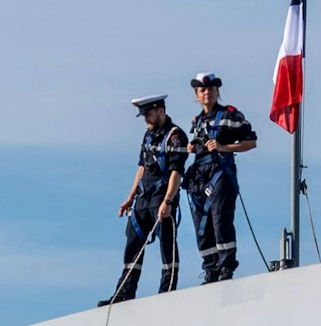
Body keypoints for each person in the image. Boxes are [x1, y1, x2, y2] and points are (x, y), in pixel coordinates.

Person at [102, 95, 188, 306]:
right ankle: (124, 293)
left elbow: (177, 172)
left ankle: (167, 291)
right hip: (143, 198)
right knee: (132, 243)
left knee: (167, 245)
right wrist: (130, 197)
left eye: (148, 115)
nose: (146, 120)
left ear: (160, 111)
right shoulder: (148, 135)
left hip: (162, 198)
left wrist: (168, 201)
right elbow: (142, 167)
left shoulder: (176, 137)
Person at [184, 73, 257, 283]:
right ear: (196, 95)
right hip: (198, 177)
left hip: (221, 172)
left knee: (219, 218)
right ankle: (210, 268)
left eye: (211, 89)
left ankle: (226, 266)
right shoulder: (196, 122)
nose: (207, 93)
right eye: (202, 90)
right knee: (201, 225)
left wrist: (223, 147)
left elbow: (251, 142)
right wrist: (192, 147)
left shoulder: (230, 115)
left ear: (217, 92)